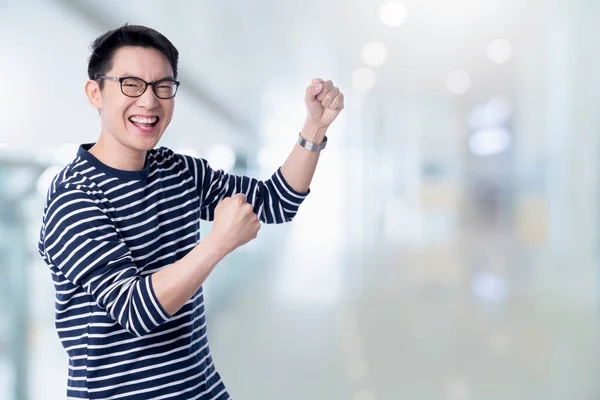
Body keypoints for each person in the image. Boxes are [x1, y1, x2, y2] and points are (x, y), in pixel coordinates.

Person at [37, 24, 344, 399]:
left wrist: (314, 128)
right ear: (95, 93)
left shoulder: (178, 171)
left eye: (162, 87)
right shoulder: (74, 197)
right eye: (131, 85)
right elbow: (137, 311)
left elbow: (276, 201)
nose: (149, 102)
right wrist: (218, 244)